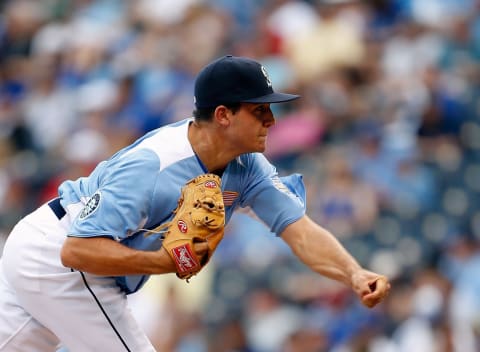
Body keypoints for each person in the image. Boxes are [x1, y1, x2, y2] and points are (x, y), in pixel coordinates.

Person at [0, 55, 390, 351]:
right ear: (223, 115)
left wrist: (353, 273)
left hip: (53, 255)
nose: (271, 119)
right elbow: (77, 250)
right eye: (259, 110)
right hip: (59, 257)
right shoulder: (155, 165)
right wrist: (160, 263)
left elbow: (300, 231)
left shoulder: (247, 167)